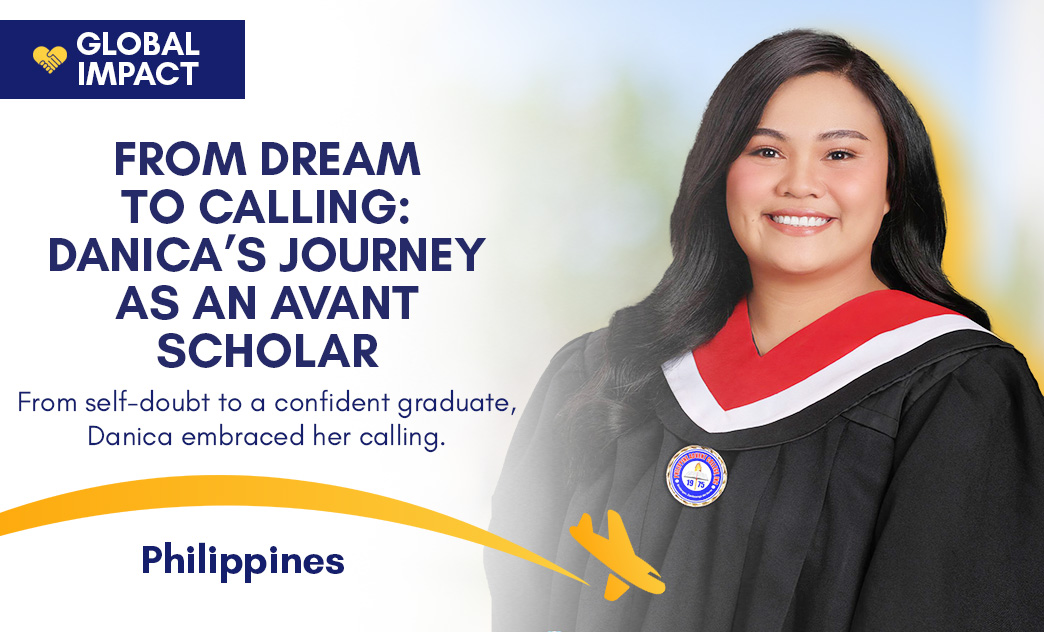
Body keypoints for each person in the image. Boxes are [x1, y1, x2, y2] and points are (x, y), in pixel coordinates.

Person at [486, 29, 1044, 632]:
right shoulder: (606, 372)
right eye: (765, 151)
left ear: (892, 188)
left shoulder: (956, 391)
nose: (799, 183)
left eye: (840, 154)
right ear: (720, 173)